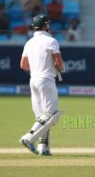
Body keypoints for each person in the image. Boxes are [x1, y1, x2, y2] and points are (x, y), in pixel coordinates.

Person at [19, 14, 65, 156]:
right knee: (51, 115)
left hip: (33, 80)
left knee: (42, 116)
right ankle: (28, 137)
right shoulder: (51, 41)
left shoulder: (29, 42)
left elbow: (23, 65)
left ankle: (43, 148)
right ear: (46, 26)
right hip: (46, 79)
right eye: (48, 24)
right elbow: (58, 63)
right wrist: (59, 68)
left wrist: (38, 67)